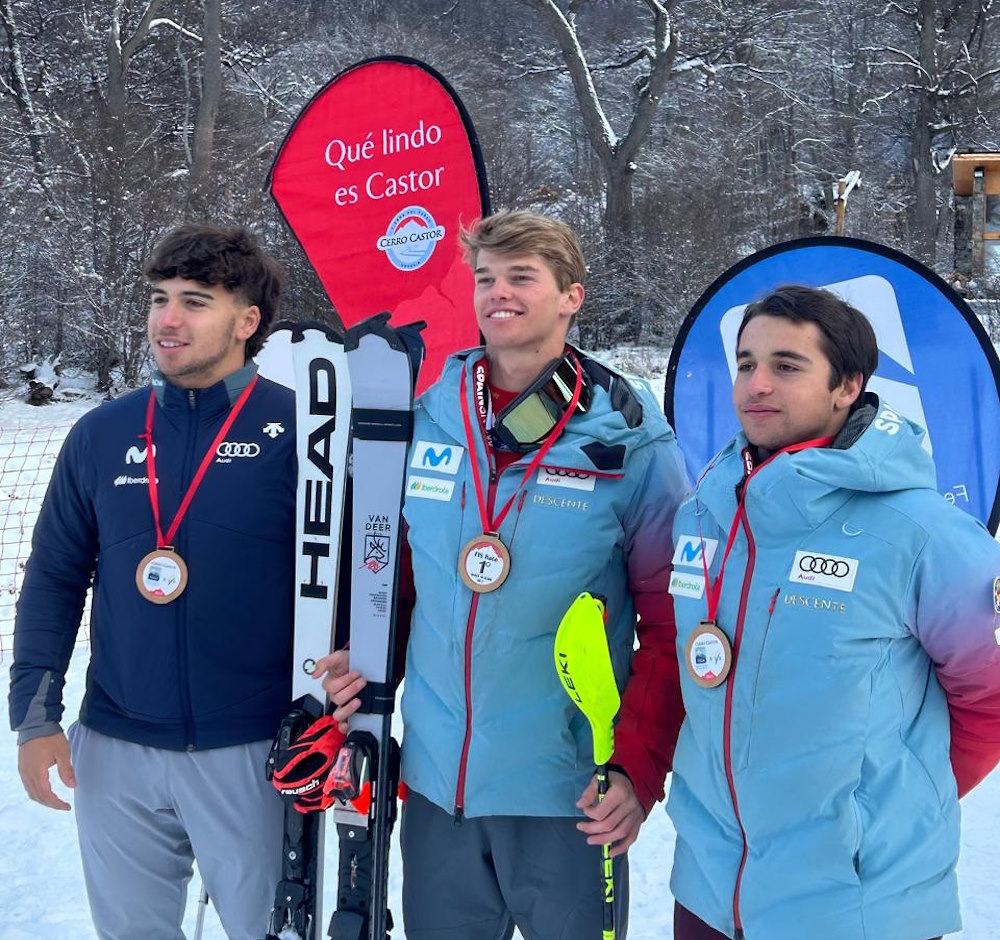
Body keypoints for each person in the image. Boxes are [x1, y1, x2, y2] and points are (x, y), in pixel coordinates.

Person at [316, 209, 690, 939]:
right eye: (486, 278)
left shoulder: (630, 439)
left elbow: (670, 629)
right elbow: (392, 580)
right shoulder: (425, 417)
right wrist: (358, 661)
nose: (499, 293)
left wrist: (640, 772)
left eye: (522, 277)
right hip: (434, 788)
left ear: (571, 296)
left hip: (568, 796)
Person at [666, 285, 1000, 940]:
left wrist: (878, 819)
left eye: (787, 366)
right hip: (709, 894)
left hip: (855, 908)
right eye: (745, 363)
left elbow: (989, 700)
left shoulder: (924, 533)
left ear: (848, 385)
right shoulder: (704, 511)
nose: (756, 385)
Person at [9, 223, 295, 940]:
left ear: (247, 321)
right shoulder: (102, 434)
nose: (167, 320)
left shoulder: (300, 431)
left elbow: (356, 582)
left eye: (195, 302)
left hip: (250, 750)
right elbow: (52, 576)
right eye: (159, 299)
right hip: (116, 750)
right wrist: (36, 718)